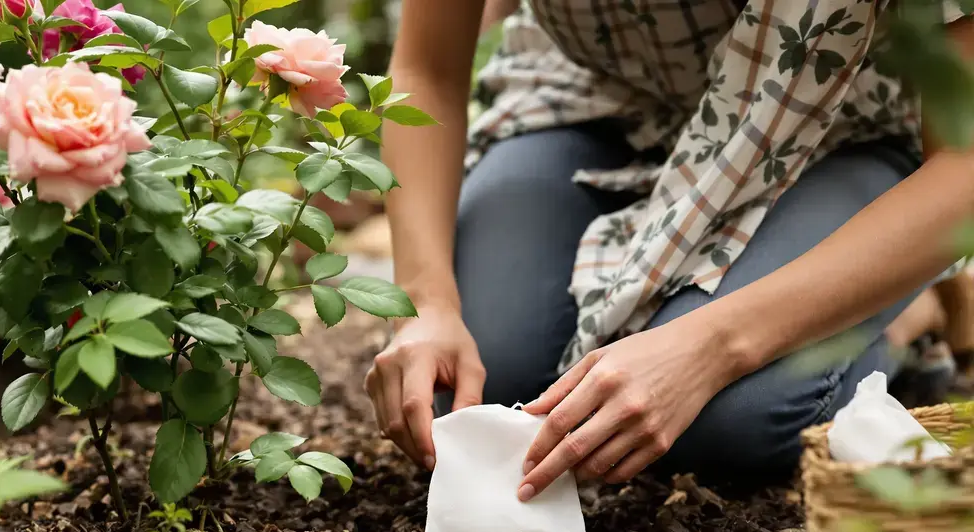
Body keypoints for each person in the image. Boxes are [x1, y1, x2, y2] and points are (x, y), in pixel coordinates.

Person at [366, 0, 974, 501]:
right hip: (597, 101)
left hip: (834, 126)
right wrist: (426, 302)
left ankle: (909, 311)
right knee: (468, 396)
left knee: (733, 423)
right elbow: (428, 67)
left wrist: (710, 347)